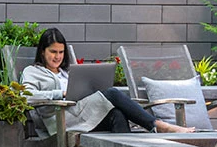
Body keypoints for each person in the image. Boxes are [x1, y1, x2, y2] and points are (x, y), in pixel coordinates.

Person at [19, 28, 196, 135]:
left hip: (81, 114)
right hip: (60, 120)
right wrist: (60, 93)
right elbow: (25, 97)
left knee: (117, 114)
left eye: (61, 52)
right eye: (53, 52)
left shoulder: (68, 72)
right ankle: (159, 126)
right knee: (111, 93)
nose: (57, 56)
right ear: (42, 51)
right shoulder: (32, 72)